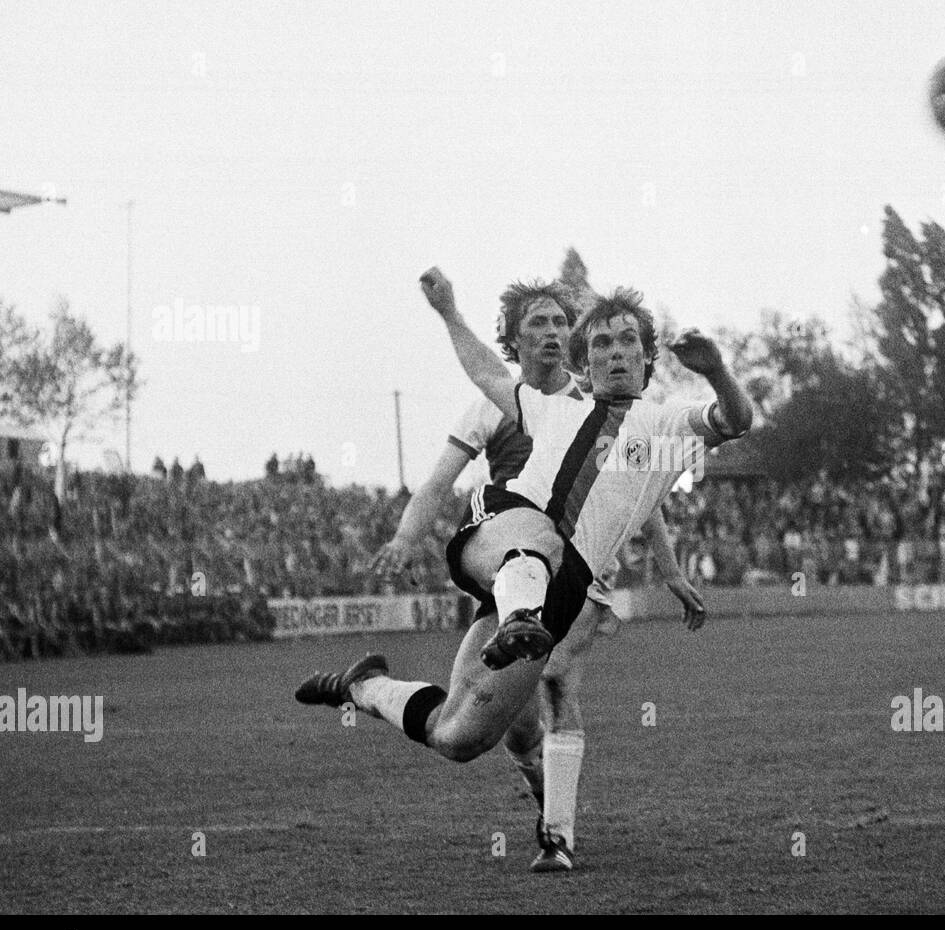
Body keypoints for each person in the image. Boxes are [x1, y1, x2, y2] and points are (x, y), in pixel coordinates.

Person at [297, 267, 747, 873]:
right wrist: (449, 312)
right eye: (601, 344)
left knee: (460, 737)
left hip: (555, 592)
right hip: (503, 524)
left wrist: (717, 371)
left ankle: (363, 685)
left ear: (646, 361)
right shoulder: (540, 406)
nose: (613, 353)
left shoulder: (666, 429)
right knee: (537, 544)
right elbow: (484, 374)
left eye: (626, 344)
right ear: (584, 362)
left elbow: (728, 427)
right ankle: (556, 824)